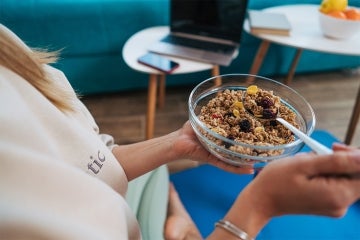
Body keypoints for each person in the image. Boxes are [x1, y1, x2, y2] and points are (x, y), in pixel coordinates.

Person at [0, 23, 360, 240]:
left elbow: (92, 162)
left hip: (117, 207)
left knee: (159, 174)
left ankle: (175, 214)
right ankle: (180, 225)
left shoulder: (9, 48)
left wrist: (179, 144)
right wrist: (260, 204)